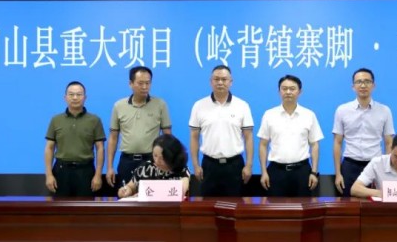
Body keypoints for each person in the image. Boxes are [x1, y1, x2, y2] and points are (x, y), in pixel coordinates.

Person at [189, 65, 254, 196]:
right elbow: (194, 137)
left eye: (224, 79)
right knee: (208, 204)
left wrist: (248, 165)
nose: (220, 82)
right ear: (210, 81)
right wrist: (195, 165)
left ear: (231, 82)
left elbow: (248, 137)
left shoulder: (242, 105)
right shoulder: (199, 105)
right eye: (216, 79)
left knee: (235, 204)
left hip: (234, 165)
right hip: (209, 165)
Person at [106, 67, 171, 190]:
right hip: (127, 161)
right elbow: (113, 138)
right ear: (130, 83)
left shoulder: (160, 104)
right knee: (125, 196)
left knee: (152, 197)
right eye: (140, 83)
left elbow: (167, 136)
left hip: (151, 161)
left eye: (148, 83)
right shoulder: (119, 106)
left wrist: (167, 162)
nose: (145, 87)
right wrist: (109, 167)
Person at [257, 75, 324, 197]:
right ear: (279, 91)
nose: (288, 92)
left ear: (300, 92)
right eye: (284, 88)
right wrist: (264, 172)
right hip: (276, 171)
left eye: (292, 89)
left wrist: (314, 172)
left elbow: (314, 145)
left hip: (302, 171)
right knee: (275, 206)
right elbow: (263, 145)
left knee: (303, 206)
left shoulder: (309, 115)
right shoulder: (269, 115)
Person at [332, 68, 395, 197]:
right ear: (353, 86)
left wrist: (388, 172)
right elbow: (337, 143)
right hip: (350, 165)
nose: (363, 85)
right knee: (348, 204)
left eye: (367, 81)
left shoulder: (384, 110)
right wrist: (338, 173)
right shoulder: (342, 110)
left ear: (373, 85)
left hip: (375, 165)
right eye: (359, 82)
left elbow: (389, 143)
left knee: (376, 204)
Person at [44, 81, 106, 197]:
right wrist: (48, 175)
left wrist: (98, 175)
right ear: (65, 97)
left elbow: (100, 148)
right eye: (71, 94)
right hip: (61, 172)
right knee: (60, 207)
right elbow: (49, 148)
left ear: (85, 97)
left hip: (85, 171)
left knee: (85, 207)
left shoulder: (94, 120)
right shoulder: (56, 120)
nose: (75, 97)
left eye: (79, 94)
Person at [117, 134, 191, 198]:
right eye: (155, 155)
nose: (157, 160)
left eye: (161, 158)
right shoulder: (145, 168)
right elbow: (131, 186)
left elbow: (182, 190)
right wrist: (127, 190)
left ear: (171, 157)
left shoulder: (181, 170)